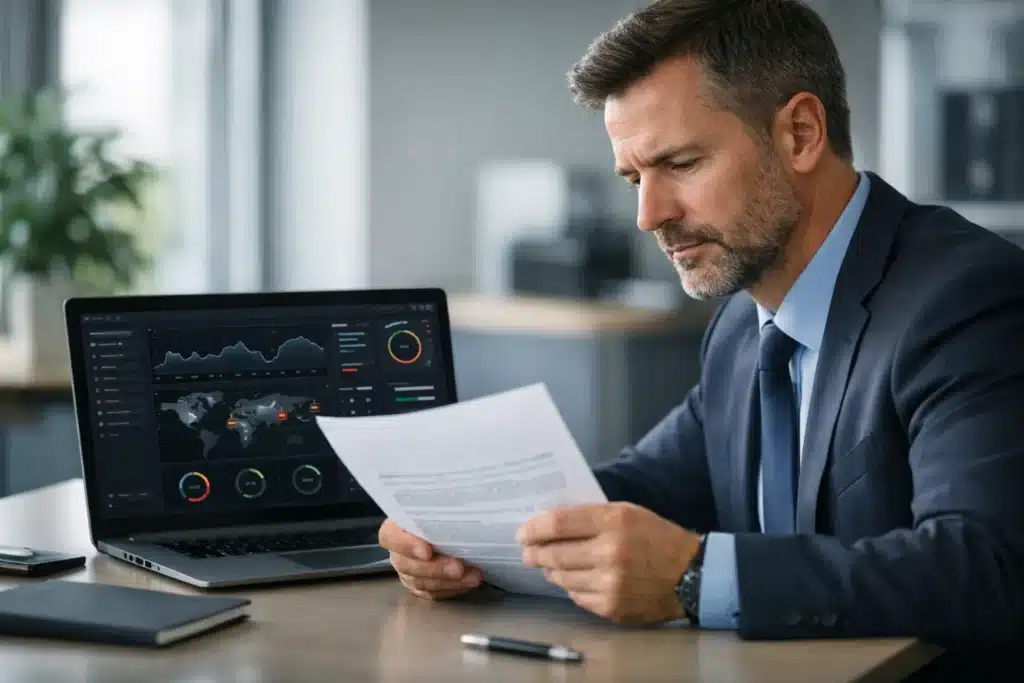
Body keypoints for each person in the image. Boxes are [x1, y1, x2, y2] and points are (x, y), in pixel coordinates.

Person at [379, 0, 1024, 678]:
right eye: (635, 178)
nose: (648, 215)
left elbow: (987, 565)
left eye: (681, 163)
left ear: (800, 133)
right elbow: (643, 486)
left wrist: (694, 576)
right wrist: (460, 534)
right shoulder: (742, 327)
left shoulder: (966, 297)